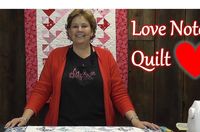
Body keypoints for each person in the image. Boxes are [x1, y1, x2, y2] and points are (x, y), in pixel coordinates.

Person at [5, 9, 159, 130]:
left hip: (100, 127)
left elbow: (118, 92)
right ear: (69, 32)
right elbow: (41, 90)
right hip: (62, 127)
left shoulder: (106, 57)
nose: (79, 29)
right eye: (75, 26)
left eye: (84, 26)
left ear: (92, 31)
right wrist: (24, 118)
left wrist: (135, 120)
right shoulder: (56, 55)